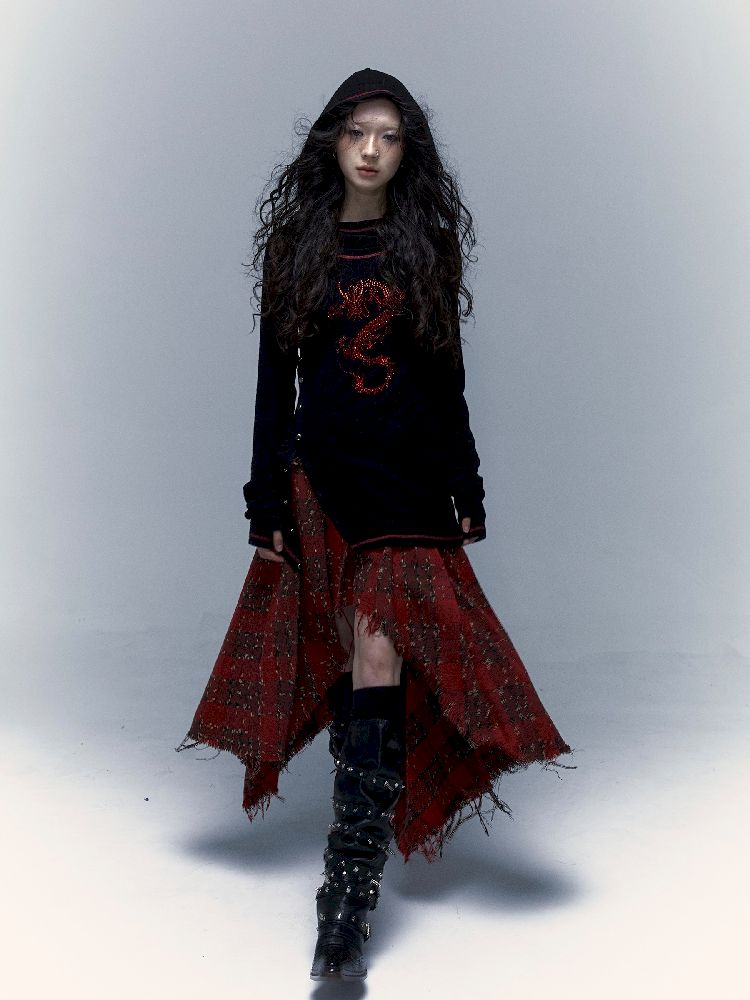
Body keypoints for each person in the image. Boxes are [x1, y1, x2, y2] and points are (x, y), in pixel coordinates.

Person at [175, 67, 575, 982]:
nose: (370, 149)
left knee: (382, 650)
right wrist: (264, 499)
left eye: (388, 136)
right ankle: (352, 881)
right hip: (324, 482)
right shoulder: (297, 249)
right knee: (359, 659)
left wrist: (466, 481)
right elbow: (273, 387)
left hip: (406, 485)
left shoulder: (424, 247)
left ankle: (346, 894)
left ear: (406, 151)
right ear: (333, 141)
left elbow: (446, 378)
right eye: (357, 132)